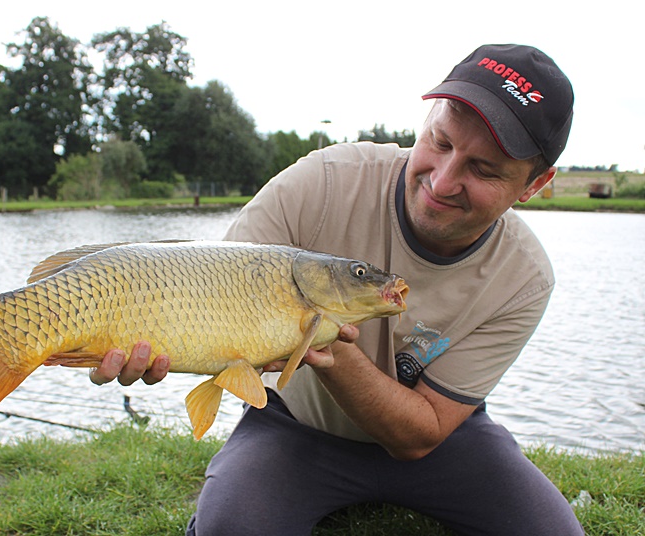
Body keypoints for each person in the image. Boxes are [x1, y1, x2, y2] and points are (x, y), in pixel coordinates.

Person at [89, 44, 583, 535]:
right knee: (230, 528)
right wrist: (141, 336)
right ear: (428, 118)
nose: (443, 179)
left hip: (440, 442)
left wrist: (324, 342)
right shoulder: (322, 183)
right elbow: (209, 294)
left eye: (483, 170)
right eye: (441, 142)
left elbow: (422, 434)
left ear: (534, 184)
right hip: (295, 425)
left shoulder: (523, 276)